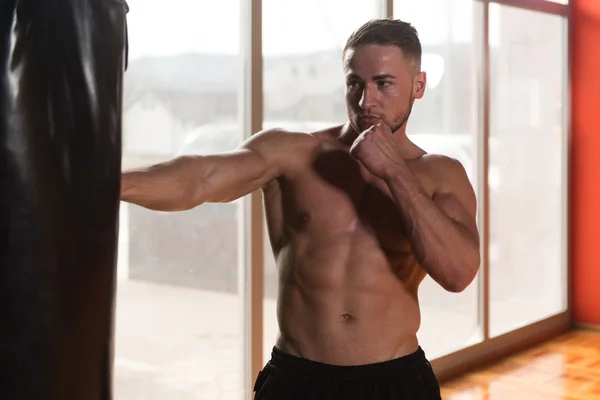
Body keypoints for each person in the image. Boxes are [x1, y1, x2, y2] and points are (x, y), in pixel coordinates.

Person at [121, 18, 480, 399]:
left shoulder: (440, 173)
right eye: (355, 83)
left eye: (384, 83)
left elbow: (457, 273)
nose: (365, 101)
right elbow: (202, 175)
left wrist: (393, 170)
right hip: (298, 378)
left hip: (395, 379)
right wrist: (109, 185)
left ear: (418, 86)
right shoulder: (295, 153)